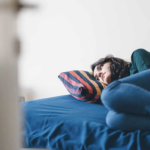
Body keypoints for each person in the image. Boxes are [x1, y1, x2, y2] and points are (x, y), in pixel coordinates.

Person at [91, 48, 150, 131]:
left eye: (100, 67)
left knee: (108, 93)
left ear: (112, 61)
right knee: (113, 119)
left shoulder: (137, 55)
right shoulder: (119, 95)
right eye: (97, 78)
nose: (99, 74)